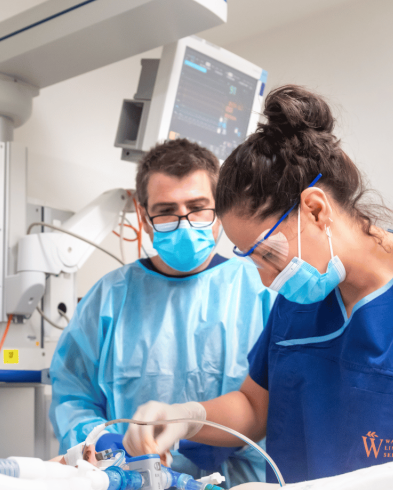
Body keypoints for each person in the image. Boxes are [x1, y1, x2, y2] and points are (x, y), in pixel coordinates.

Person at [123, 85, 393, 484]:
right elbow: (254, 406)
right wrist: (187, 417)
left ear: (316, 209)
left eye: (267, 252)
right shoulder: (300, 298)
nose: (266, 279)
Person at [49, 139, 276, 486]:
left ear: (220, 206)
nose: (185, 222)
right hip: (133, 480)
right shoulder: (110, 298)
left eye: (198, 207)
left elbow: (283, 399)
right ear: (144, 215)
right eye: (167, 210)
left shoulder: (260, 289)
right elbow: (72, 394)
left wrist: (217, 437)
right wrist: (104, 442)